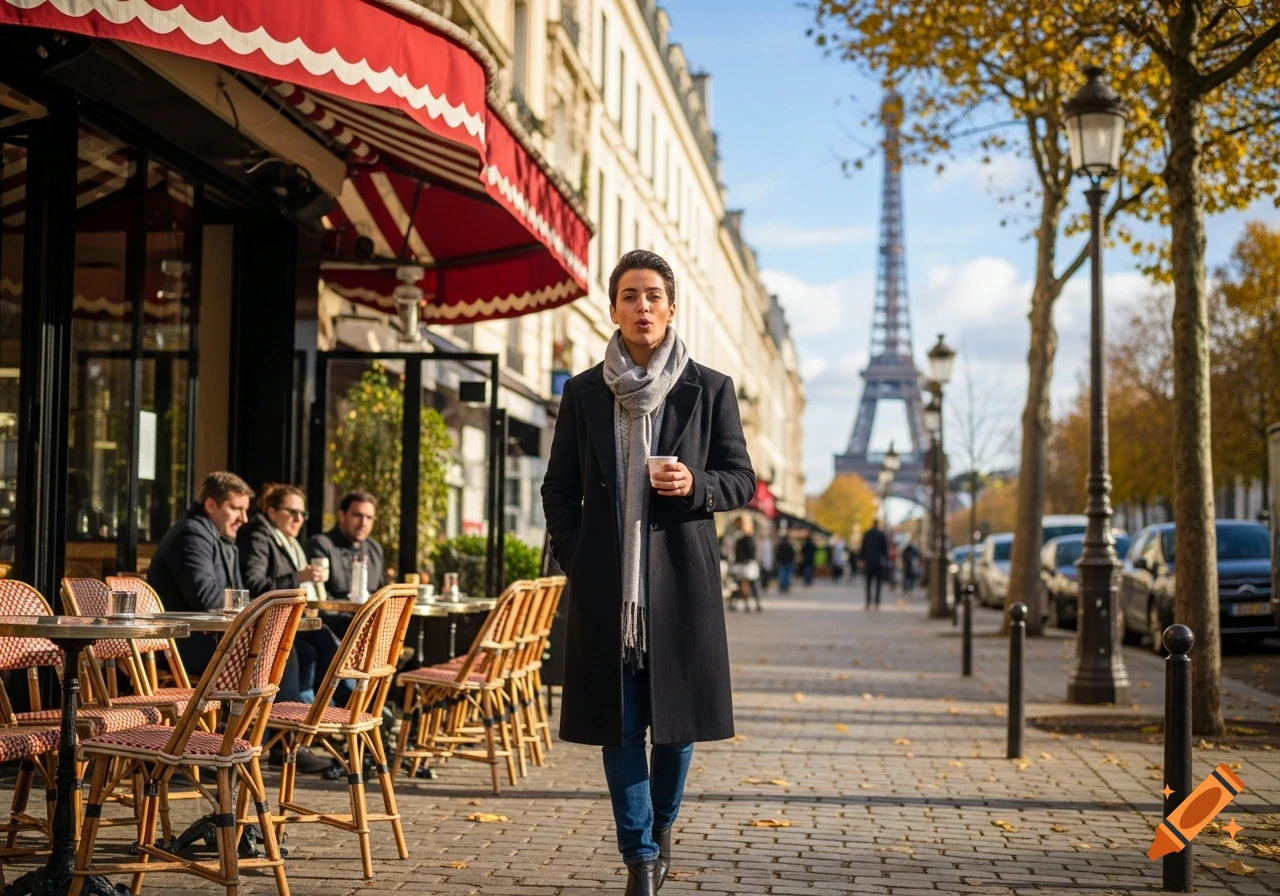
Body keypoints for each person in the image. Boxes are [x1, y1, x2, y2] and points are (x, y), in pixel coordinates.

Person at [541, 250, 755, 895]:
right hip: (610, 587)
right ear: (612, 309)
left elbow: (742, 479)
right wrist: (578, 554)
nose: (642, 307)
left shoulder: (709, 388)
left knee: (677, 727)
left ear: (670, 307)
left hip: (680, 582)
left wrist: (696, 485)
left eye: (653, 295)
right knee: (621, 723)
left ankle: (661, 829)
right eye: (629, 295)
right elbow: (559, 487)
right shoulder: (582, 392)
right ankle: (638, 857)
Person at [238, 484, 342, 774]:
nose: (299, 519)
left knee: (316, 647)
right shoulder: (260, 537)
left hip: (283, 622)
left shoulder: (288, 542)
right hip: (259, 626)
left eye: (302, 513)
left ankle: (312, 728)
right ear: (271, 511)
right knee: (295, 651)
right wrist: (299, 577)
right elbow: (254, 585)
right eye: (291, 512)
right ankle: (291, 741)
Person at [149, 471, 252, 673]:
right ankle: (278, 706)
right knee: (270, 652)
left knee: (296, 649)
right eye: (235, 508)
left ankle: (291, 706)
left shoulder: (223, 538)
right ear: (211, 505)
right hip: (181, 643)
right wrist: (259, 610)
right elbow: (207, 600)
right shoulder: (191, 535)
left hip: (210, 636)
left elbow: (239, 597)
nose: (244, 518)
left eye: (245, 510)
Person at [306, 491, 386, 637]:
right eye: (357, 515)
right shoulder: (321, 545)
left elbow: (380, 592)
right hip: (331, 628)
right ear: (342, 516)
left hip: (370, 626)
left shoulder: (375, 549)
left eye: (369, 518)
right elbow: (318, 599)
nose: (363, 523)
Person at [729, 517, 762, 612]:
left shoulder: (739, 537)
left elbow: (738, 552)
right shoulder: (747, 538)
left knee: (740, 585)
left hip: (742, 564)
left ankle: (737, 604)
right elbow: (752, 552)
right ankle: (755, 604)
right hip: (748, 564)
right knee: (750, 584)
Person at [859, 522, 889, 609]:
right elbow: (885, 550)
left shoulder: (867, 534)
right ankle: (877, 602)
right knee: (878, 584)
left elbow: (863, 548)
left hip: (869, 562)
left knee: (868, 583)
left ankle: (868, 602)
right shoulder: (881, 534)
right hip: (879, 562)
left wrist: (862, 559)